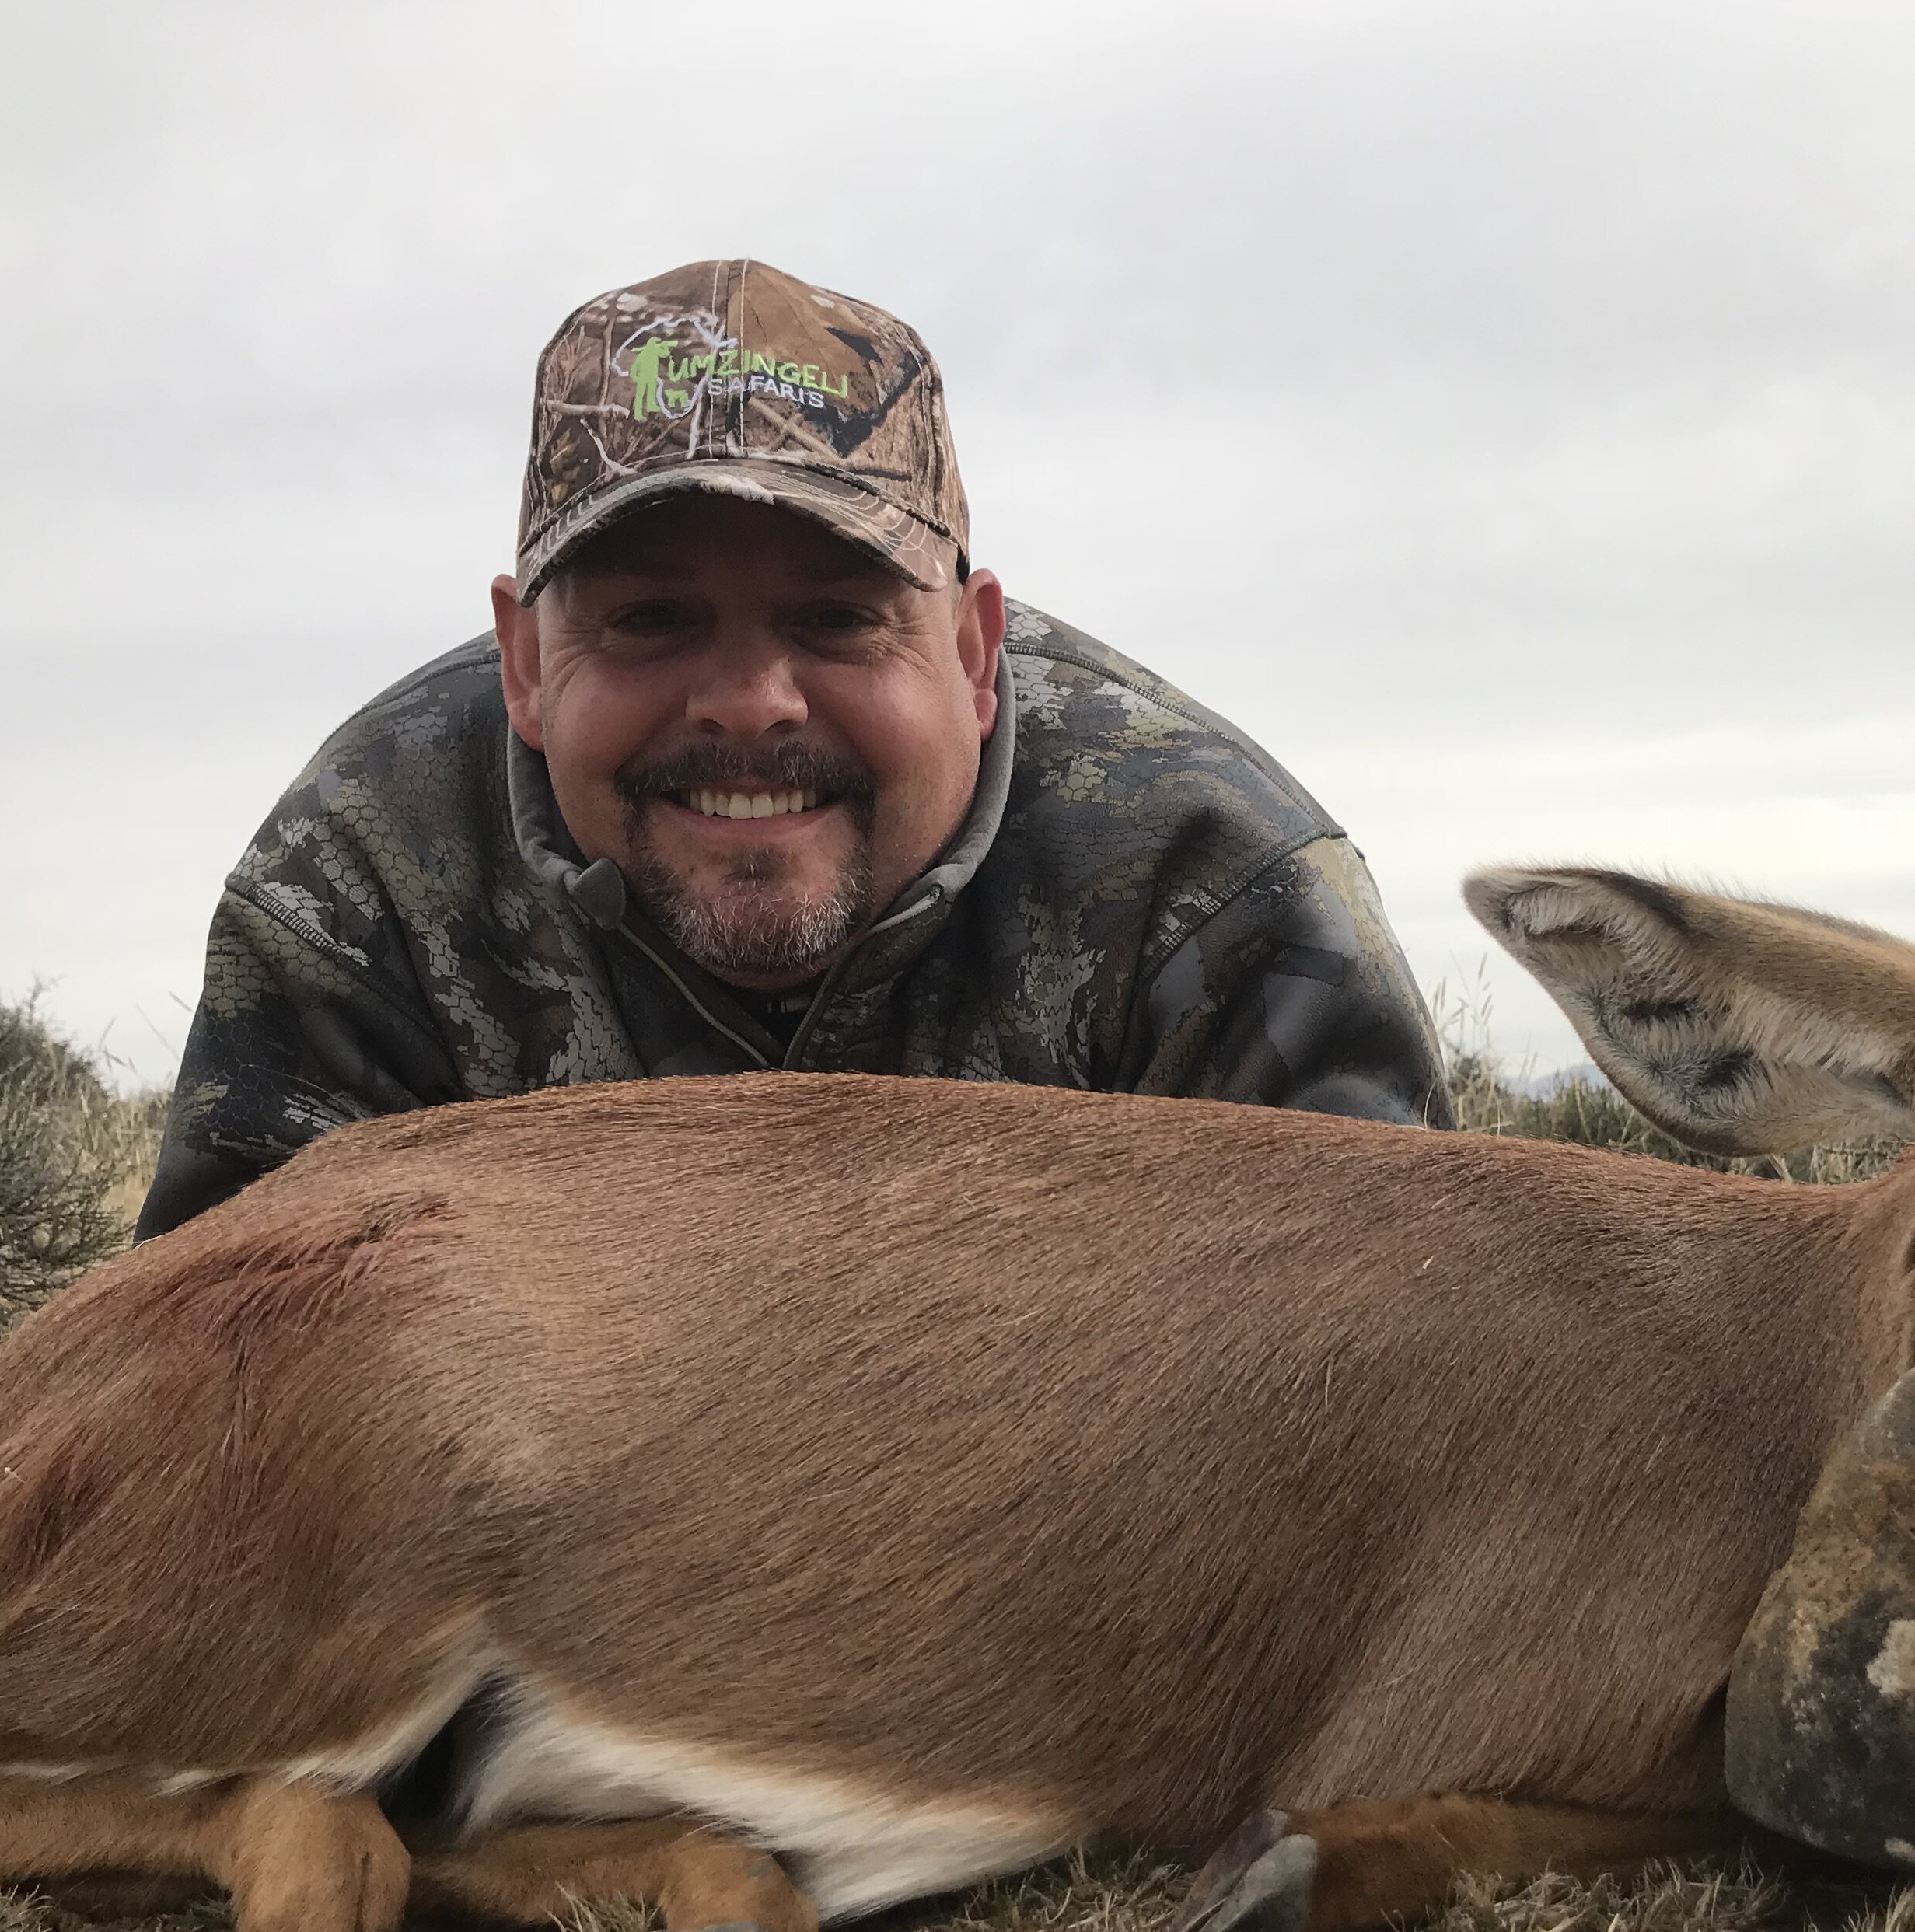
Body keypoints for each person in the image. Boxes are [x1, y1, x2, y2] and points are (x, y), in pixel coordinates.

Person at [138, 259, 1448, 1237]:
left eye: (835, 618)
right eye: (651, 621)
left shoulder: (1221, 894)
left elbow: (1401, 1437)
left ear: (978, 654)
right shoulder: (359, 877)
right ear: (525, 664)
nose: (753, 702)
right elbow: (201, 1426)